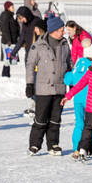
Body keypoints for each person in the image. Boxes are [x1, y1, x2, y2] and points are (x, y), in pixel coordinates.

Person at [26, 14, 72, 154]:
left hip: (59, 88)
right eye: (60, 30)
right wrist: (29, 83)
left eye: (63, 30)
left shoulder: (64, 45)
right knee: (40, 119)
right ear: (52, 30)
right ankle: (34, 144)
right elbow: (30, 64)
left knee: (55, 119)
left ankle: (53, 145)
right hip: (43, 88)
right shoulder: (38, 45)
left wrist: (72, 83)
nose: (63, 32)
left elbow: (69, 64)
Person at [64, 44, 92, 155]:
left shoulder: (77, 65)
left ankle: (76, 149)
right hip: (90, 99)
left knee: (79, 124)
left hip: (77, 99)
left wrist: (68, 71)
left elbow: (68, 80)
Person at [0, 0, 19, 78]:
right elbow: (5, 29)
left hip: (11, 41)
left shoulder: (10, 16)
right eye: (12, 7)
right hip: (7, 42)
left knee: (10, 59)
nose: (13, 8)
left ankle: (6, 75)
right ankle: (5, 75)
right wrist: (9, 40)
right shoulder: (6, 16)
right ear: (8, 8)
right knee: (7, 59)